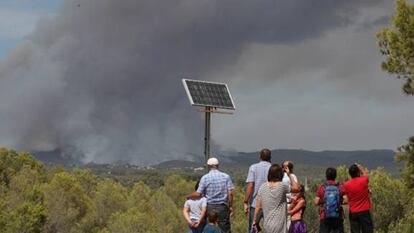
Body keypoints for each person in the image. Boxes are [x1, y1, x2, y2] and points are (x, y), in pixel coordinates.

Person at [187, 157, 235, 233]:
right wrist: (230, 206)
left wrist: (188, 196)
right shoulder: (226, 176)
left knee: (208, 229)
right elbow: (230, 193)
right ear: (218, 165)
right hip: (222, 206)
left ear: (208, 166)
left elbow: (198, 193)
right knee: (225, 229)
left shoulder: (205, 178)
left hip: (209, 207)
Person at [252, 164, 299, 233]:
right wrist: (289, 175)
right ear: (280, 175)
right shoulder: (282, 186)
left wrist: (255, 220)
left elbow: (258, 206)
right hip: (280, 225)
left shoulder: (262, 187)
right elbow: (296, 188)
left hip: (267, 225)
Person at [244, 148, 272, 233]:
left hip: (255, 203)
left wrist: (245, 201)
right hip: (270, 203)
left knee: (253, 227)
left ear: (260, 156)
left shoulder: (253, 167)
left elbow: (251, 185)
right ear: (270, 157)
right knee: (271, 228)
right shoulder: (273, 168)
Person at [342, 164, 373, 233]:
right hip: (364, 211)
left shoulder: (346, 184)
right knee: (368, 230)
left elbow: (344, 196)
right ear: (358, 172)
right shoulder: (364, 180)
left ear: (350, 174)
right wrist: (361, 168)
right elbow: (365, 174)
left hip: (353, 212)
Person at [314, 167, 345, 233]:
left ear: (326, 176)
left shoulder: (322, 187)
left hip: (324, 215)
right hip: (338, 216)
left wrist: (324, 201)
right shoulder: (340, 187)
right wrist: (337, 201)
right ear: (335, 176)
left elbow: (316, 202)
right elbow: (346, 200)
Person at [282, 161, 298, 229]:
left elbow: (296, 188)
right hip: (281, 203)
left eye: (286, 166)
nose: (284, 168)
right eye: (283, 166)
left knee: (288, 225)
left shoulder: (292, 176)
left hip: (289, 203)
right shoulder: (280, 176)